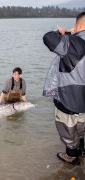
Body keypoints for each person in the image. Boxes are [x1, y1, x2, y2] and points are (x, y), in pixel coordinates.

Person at [43, 12, 85, 165]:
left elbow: (48, 38)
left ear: (78, 25)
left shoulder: (73, 43)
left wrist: (63, 33)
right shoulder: (74, 42)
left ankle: (72, 155)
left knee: (66, 127)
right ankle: (82, 148)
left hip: (68, 97)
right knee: (82, 125)